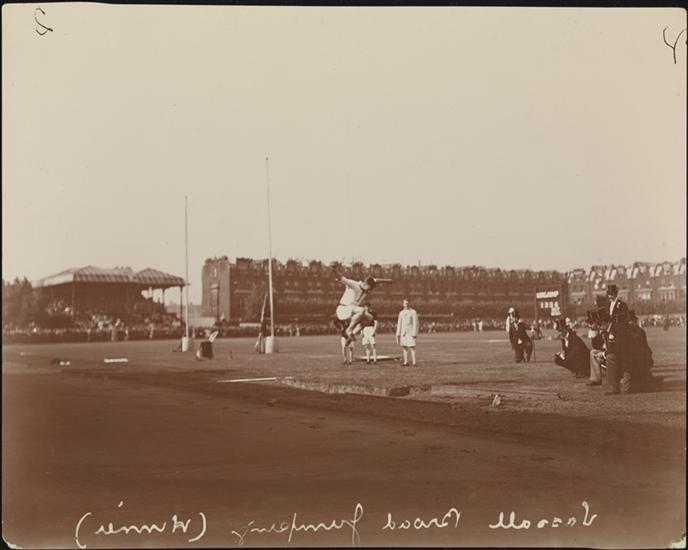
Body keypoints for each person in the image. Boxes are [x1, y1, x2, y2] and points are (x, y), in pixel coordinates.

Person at [330, 264, 386, 344]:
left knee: (370, 318)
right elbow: (341, 278)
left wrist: (387, 281)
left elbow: (376, 280)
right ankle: (349, 330)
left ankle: (352, 334)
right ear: (366, 284)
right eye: (369, 289)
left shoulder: (367, 286)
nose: (369, 291)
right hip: (343, 309)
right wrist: (334, 270)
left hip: (352, 312)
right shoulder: (353, 284)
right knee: (362, 310)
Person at [396, 299, 419, 366]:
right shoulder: (401, 313)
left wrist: (414, 333)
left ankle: (414, 362)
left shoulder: (413, 312)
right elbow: (399, 323)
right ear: (403, 304)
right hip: (403, 332)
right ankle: (406, 362)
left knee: (412, 347)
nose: (406, 305)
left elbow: (415, 323)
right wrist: (398, 333)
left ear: (409, 304)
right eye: (405, 303)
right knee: (404, 347)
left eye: (407, 303)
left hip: (411, 332)